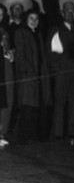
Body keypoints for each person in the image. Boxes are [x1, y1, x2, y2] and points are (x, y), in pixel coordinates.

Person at [50, 1, 74, 143]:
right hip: (63, 72)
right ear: (62, 13)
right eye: (68, 12)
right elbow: (52, 53)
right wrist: (57, 70)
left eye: (73, 12)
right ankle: (58, 133)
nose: (70, 14)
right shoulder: (56, 30)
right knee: (60, 103)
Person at [14, 10, 52, 143]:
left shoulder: (39, 34)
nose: (34, 21)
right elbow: (20, 55)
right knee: (28, 105)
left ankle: (38, 136)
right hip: (29, 75)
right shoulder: (21, 33)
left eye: (36, 18)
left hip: (41, 74)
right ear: (26, 19)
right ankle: (24, 137)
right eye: (31, 18)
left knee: (40, 104)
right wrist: (28, 71)